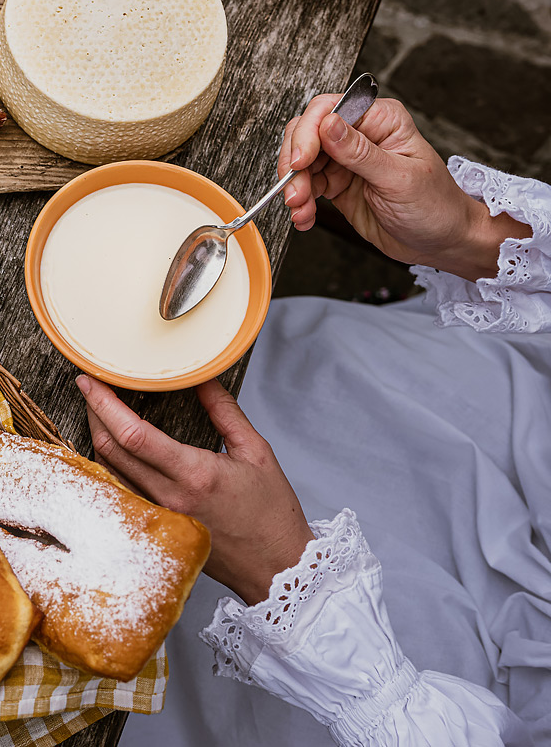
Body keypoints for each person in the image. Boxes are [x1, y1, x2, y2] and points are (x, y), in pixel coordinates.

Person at [94, 94, 551, 746]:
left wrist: (285, 577)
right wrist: (470, 233)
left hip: (425, 689)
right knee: (285, 363)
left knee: (150, 598)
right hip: (500, 402)